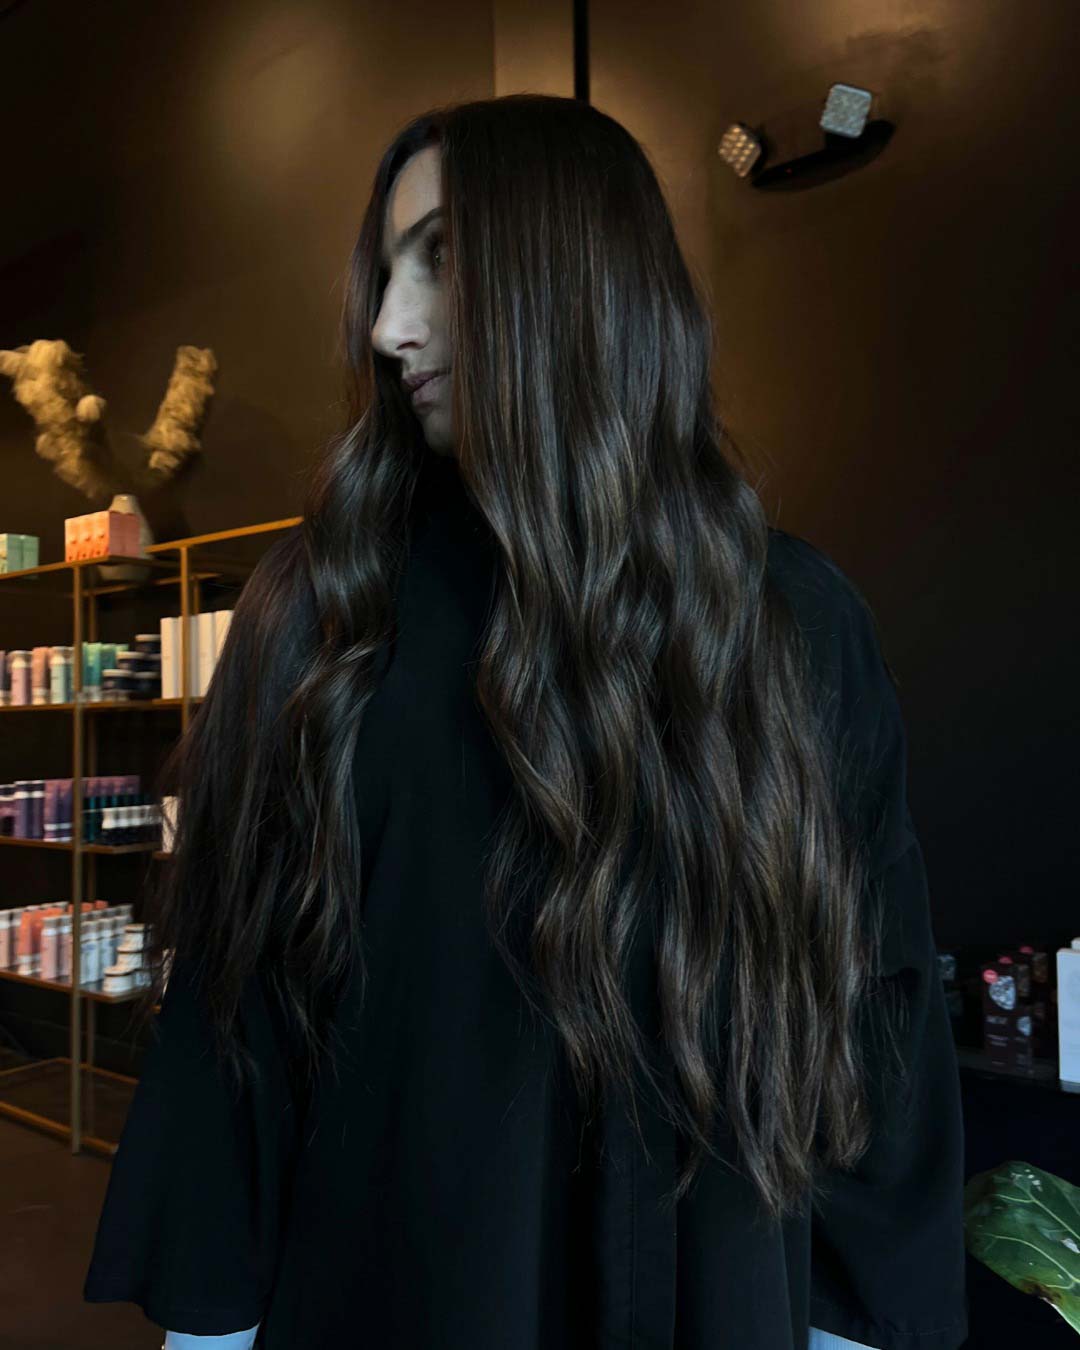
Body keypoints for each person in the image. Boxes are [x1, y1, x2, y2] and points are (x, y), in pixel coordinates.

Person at [83, 95, 968, 1350]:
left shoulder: (791, 623)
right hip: (385, 1297)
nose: (390, 327)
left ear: (575, 271)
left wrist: (850, 1328)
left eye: (440, 257)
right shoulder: (325, 618)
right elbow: (239, 1023)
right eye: (387, 271)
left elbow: (868, 1014)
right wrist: (211, 1333)